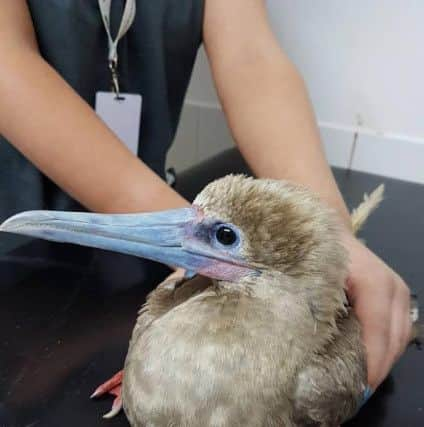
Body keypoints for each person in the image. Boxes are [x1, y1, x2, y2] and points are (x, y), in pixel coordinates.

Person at [0, 0, 411, 398]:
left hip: (145, 240)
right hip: (17, 244)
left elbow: (250, 59)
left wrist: (324, 234)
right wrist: (188, 237)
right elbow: (7, 60)